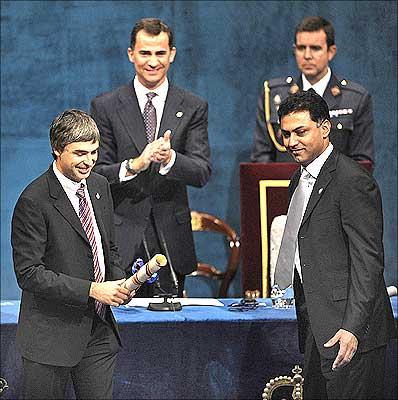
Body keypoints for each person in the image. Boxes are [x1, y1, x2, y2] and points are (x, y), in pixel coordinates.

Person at [273, 90, 395, 399]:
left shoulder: (352, 180)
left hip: (352, 334)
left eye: (301, 131)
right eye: (286, 134)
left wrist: (352, 328)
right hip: (319, 327)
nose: (292, 141)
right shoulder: (298, 179)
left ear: (325, 129)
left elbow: (369, 263)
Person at [12, 109, 133, 399]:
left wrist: (119, 284)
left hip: (99, 333)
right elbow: (29, 274)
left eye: (93, 152)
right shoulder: (33, 200)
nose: (89, 161)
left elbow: (108, 248)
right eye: (80, 153)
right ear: (56, 149)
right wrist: (93, 290)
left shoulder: (100, 186)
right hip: (50, 340)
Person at [90, 18, 211, 297]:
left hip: (171, 239)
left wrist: (170, 159)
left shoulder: (193, 106)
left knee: (172, 335)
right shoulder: (105, 106)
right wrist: (135, 164)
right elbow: (96, 174)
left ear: (172, 54)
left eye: (160, 53)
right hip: (122, 238)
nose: (153, 61)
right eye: (145, 53)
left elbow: (202, 171)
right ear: (131, 53)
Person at [251, 16, 374, 165]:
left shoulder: (355, 99)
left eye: (315, 48)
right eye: (301, 48)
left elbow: (362, 163)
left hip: (336, 187)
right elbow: (261, 159)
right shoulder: (274, 95)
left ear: (331, 51)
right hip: (287, 186)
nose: (307, 56)